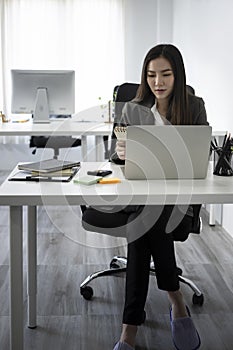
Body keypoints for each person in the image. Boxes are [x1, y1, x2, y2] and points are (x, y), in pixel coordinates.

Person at [82, 43, 208, 350]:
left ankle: (129, 334)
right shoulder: (131, 108)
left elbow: (200, 156)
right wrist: (121, 153)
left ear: (177, 75)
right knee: (146, 215)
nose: (158, 82)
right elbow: (117, 158)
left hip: (178, 203)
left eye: (165, 74)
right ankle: (176, 300)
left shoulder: (194, 106)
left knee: (144, 223)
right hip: (138, 197)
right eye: (151, 75)